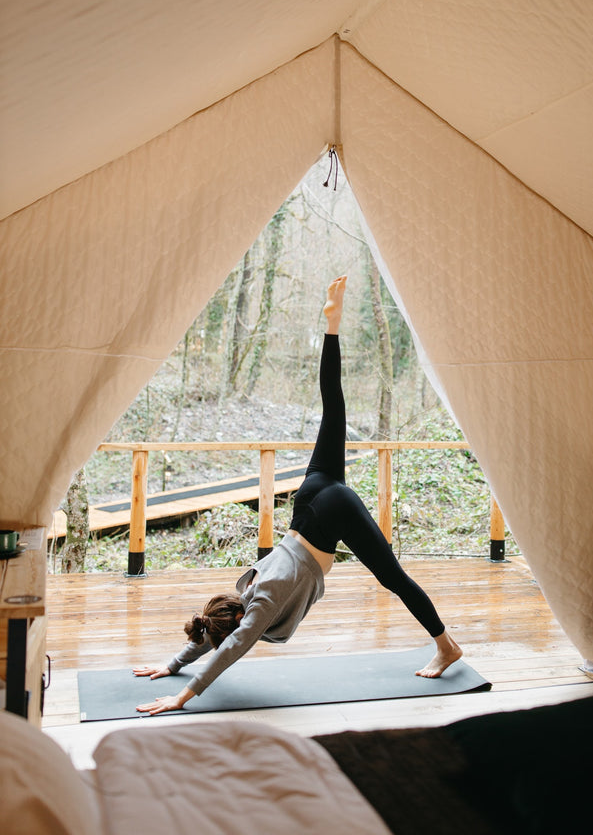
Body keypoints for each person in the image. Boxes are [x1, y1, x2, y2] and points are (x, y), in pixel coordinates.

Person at [135, 276, 462, 715]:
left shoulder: (262, 603)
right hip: (310, 496)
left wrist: (182, 695)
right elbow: (218, 635)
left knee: (393, 577)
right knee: (334, 405)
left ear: (236, 621)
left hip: (327, 513)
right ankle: (332, 323)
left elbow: (230, 649)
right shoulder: (246, 591)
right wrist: (172, 663)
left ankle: (446, 647)